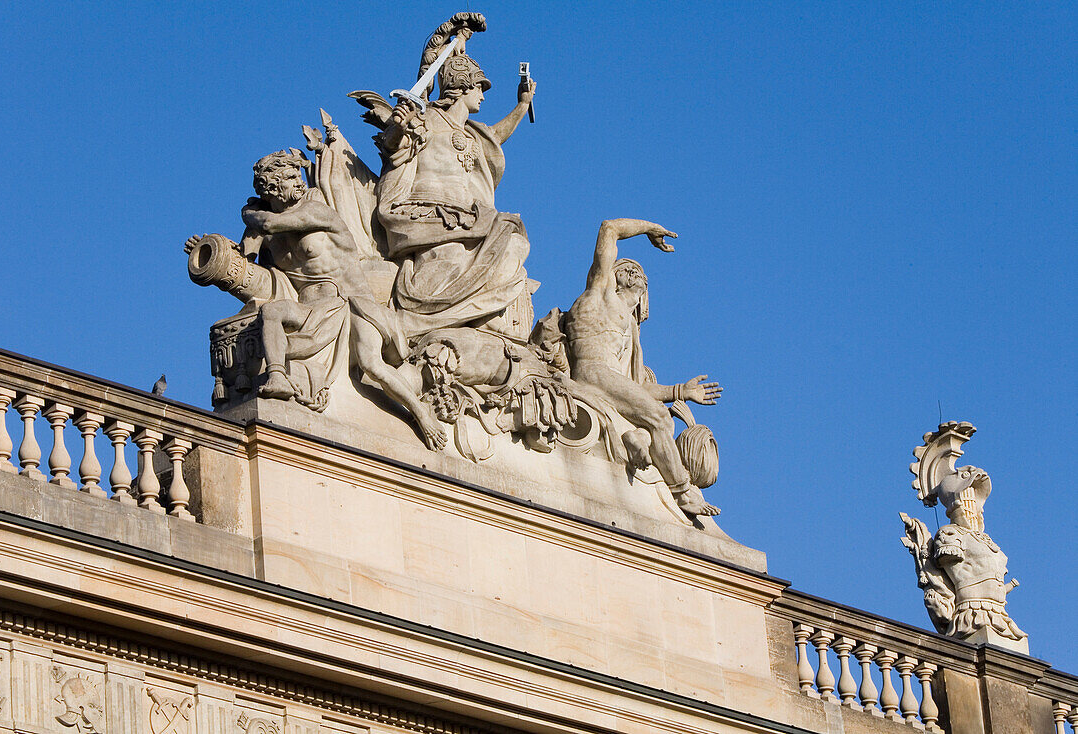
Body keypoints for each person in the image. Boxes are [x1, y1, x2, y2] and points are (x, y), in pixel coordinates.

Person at [187, 150, 447, 450]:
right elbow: (244, 256)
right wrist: (213, 250)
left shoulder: (315, 208)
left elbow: (269, 224)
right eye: (287, 179)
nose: (297, 183)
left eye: (297, 176)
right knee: (271, 313)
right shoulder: (260, 225)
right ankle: (277, 377)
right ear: (271, 188)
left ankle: (421, 412)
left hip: (351, 302)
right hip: (310, 308)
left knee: (371, 364)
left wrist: (248, 213)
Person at [375, 13, 537, 341]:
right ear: (461, 88)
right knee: (450, 260)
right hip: (428, 217)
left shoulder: (473, 134)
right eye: (480, 87)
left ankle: (472, 314)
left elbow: (496, 135)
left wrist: (522, 106)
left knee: (514, 244)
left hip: (468, 220)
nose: (483, 95)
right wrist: (446, 33)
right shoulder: (428, 119)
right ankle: (425, 320)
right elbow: (395, 144)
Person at [563, 219, 721, 516]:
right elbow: (609, 228)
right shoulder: (599, 292)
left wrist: (681, 391)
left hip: (609, 379)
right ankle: (683, 491)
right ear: (613, 275)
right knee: (661, 417)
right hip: (592, 371)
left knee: (656, 416)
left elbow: (635, 388)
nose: (634, 272)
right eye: (626, 268)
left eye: (640, 272)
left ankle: (640, 440)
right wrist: (650, 228)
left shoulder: (631, 331)